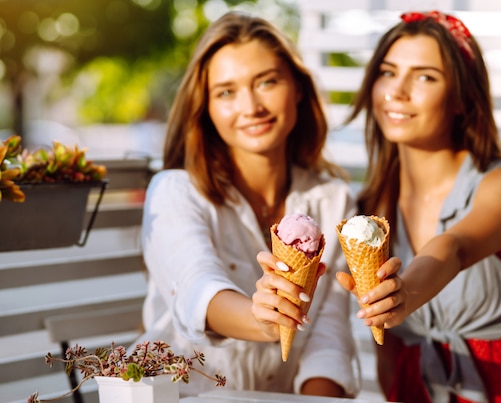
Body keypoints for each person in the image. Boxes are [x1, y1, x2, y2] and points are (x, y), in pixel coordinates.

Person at [336, 10, 501, 403]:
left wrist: (405, 294)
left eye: (425, 76)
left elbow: (453, 247)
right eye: (388, 72)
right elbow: (387, 348)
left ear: (461, 97)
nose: (397, 91)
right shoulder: (370, 209)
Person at [139, 11, 359, 398]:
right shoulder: (174, 191)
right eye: (226, 92)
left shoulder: (334, 199)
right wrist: (264, 321)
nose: (251, 106)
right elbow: (197, 289)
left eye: (267, 82)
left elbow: (329, 336)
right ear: (204, 106)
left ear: (298, 89)